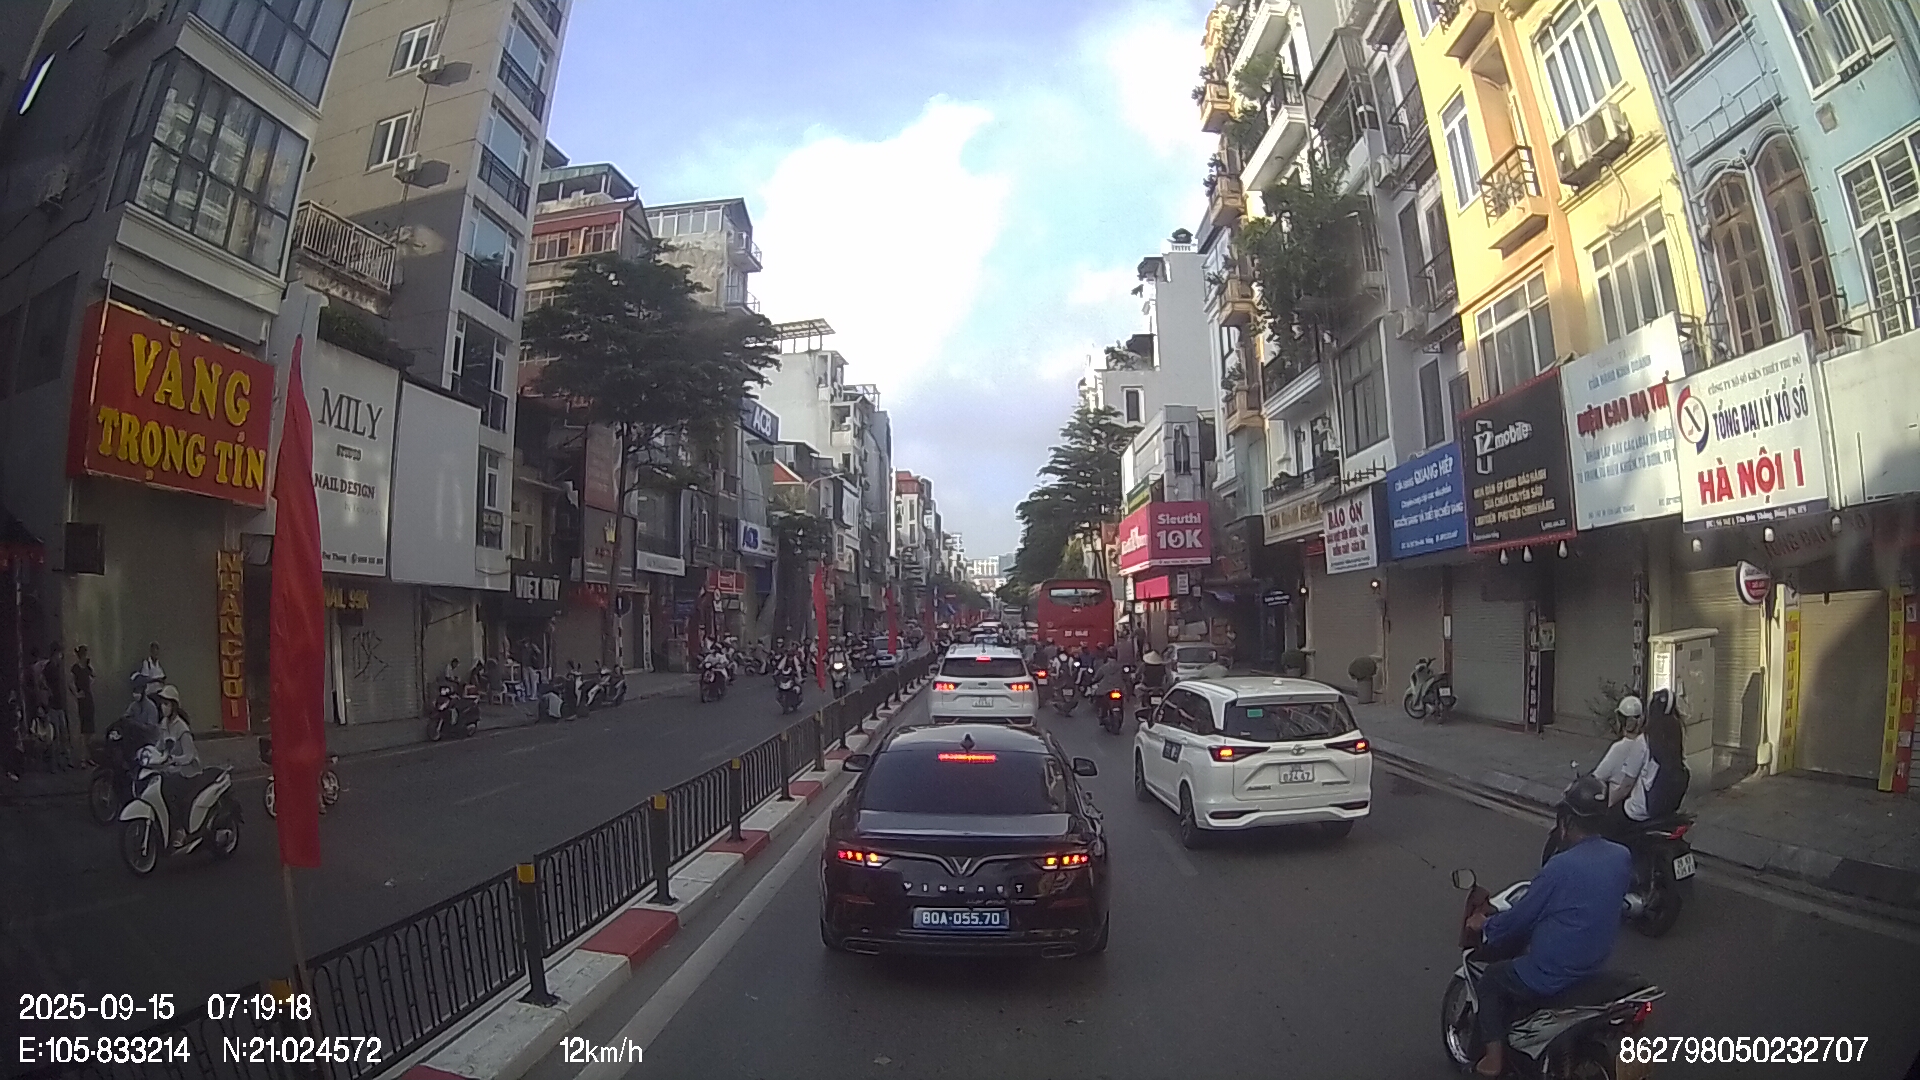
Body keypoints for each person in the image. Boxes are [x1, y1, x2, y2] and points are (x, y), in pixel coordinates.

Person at [1466, 774, 1631, 1078]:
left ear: (1566, 821)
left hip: (1551, 974)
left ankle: (1493, 1060)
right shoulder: (1621, 856)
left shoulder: (1560, 867)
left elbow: (1520, 919)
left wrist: (1486, 925)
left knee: (1491, 980)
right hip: (1594, 966)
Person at [71, 645, 96, 766]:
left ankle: (88, 755)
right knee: (83, 730)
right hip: (82, 700)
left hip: (89, 697)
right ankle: (82, 758)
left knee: (90, 730)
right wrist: (76, 694)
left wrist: (89, 666)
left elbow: (93, 676)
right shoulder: (75, 668)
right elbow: (70, 682)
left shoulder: (87, 667)